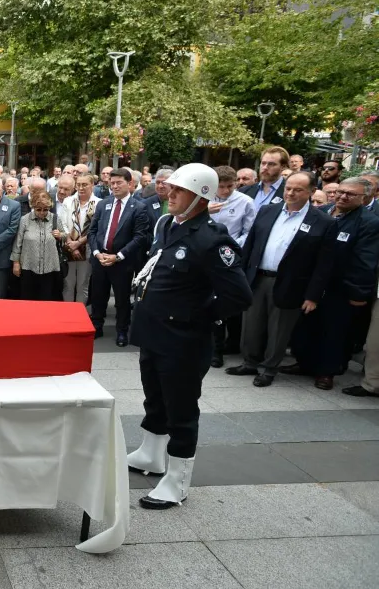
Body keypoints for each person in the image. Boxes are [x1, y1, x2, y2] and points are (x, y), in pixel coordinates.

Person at [127, 163, 253, 509]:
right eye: (170, 188)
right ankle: (151, 454)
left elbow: (239, 296)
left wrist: (197, 316)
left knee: (181, 410)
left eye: (179, 190)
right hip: (155, 332)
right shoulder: (169, 224)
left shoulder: (212, 240)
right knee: (155, 398)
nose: (170, 194)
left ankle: (177, 481)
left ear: (200, 197)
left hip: (183, 340)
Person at [226, 173, 335, 387]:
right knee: (251, 324)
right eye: (288, 188)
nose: (291, 193)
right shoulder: (268, 211)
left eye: (298, 190)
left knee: (279, 330)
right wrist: (240, 277)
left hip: (291, 283)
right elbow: (251, 245)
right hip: (258, 278)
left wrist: (313, 295)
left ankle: (269, 369)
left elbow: (324, 264)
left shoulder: (323, 222)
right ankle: (249, 362)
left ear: (312, 192)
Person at [290, 177, 379, 390]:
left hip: (340, 288)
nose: (342, 196)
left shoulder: (369, 222)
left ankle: (326, 372)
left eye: (350, 194)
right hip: (312, 284)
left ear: (364, 198)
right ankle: (305, 363)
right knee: (306, 327)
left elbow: (365, 261)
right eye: (340, 191)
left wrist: (357, 293)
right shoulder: (323, 211)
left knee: (334, 333)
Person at [86, 168, 150, 345]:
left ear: (129, 184)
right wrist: (97, 253)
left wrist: (119, 256)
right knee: (98, 296)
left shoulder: (138, 207)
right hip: (100, 259)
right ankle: (97, 326)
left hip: (122, 262)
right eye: (111, 183)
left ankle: (122, 331)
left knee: (121, 300)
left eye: (118, 183)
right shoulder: (103, 204)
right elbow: (92, 232)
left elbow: (140, 237)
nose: (114, 186)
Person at [207, 166, 258, 366]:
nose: (226, 191)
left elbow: (249, 231)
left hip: (231, 256)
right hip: (205, 256)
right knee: (210, 301)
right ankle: (214, 349)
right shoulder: (203, 199)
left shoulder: (245, 202)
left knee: (229, 302)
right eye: (221, 187)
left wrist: (233, 246)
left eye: (230, 186)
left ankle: (231, 343)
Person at [11, 189, 65, 301]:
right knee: (28, 298)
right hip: (29, 265)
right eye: (38, 209)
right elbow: (18, 242)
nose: (42, 212)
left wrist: (60, 235)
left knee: (46, 298)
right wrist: (16, 263)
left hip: (49, 267)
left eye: (45, 209)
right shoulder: (25, 220)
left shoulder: (55, 219)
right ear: (33, 207)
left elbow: (64, 237)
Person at [62, 175, 97, 304]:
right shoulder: (68, 201)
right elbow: (63, 224)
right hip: (69, 247)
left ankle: (80, 315)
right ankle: (67, 314)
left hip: (87, 248)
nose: (81, 188)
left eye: (85, 185)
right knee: (68, 283)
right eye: (78, 185)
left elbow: (96, 229)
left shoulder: (99, 203)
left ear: (92, 185)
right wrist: (71, 243)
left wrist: (79, 243)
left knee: (83, 284)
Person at [242, 146, 288, 211]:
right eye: (263, 163)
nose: (265, 167)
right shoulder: (244, 191)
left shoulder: (289, 192)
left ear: (283, 167)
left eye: (271, 164)